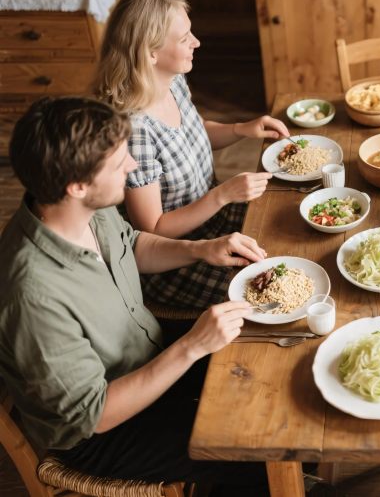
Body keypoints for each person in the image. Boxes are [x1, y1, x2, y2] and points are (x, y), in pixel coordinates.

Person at [0, 96, 269, 492]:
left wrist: (199, 249)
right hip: (101, 433)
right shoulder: (33, 296)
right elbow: (96, 414)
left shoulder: (84, 208)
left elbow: (131, 245)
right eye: (118, 162)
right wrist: (192, 346)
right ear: (76, 185)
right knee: (243, 449)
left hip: (144, 351)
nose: (132, 165)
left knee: (258, 362)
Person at [93, 0, 290, 309]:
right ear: (150, 52)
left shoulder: (171, 80)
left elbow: (191, 135)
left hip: (213, 217)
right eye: (184, 38)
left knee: (281, 222)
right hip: (174, 256)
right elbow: (154, 229)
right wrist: (223, 194)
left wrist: (241, 129)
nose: (196, 42)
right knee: (266, 290)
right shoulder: (135, 130)